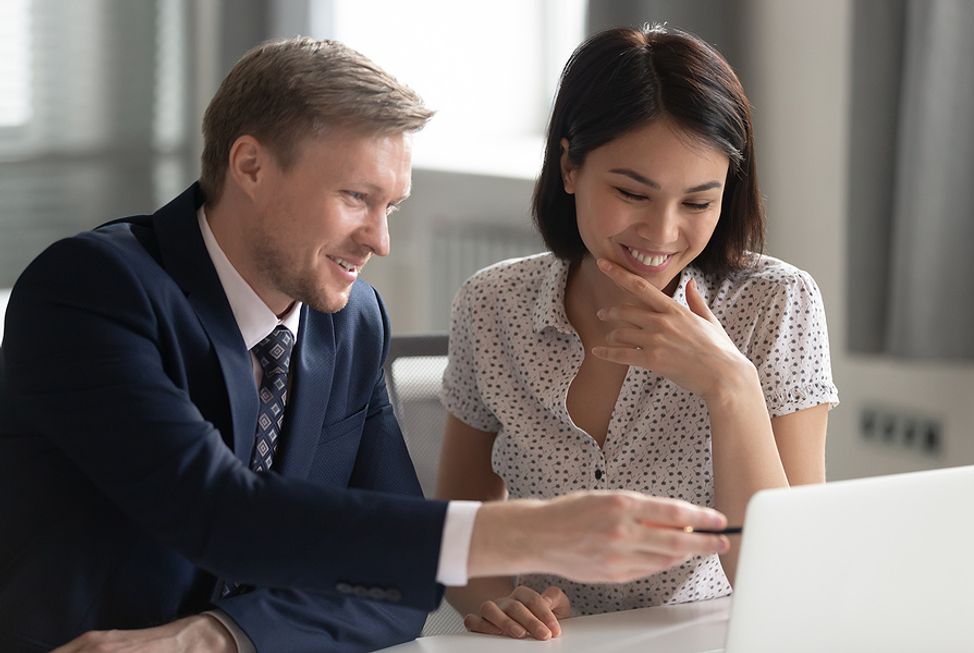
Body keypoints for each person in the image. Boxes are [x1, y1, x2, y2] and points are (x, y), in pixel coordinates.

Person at [0, 37, 732, 653]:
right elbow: (218, 510)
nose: (380, 240)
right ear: (249, 165)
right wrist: (530, 531)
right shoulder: (92, 290)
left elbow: (394, 593)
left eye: (392, 207)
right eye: (356, 198)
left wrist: (223, 634)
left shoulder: (352, 322)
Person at [438, 24, 839, 640]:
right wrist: (499, 602)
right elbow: (457, 523)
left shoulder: (774, 303)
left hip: (701, 635)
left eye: (698, 203)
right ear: (570, 165)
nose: (661, 232)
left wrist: (731, 386)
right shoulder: (493, 305)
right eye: (632, 193)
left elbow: (787, 575)